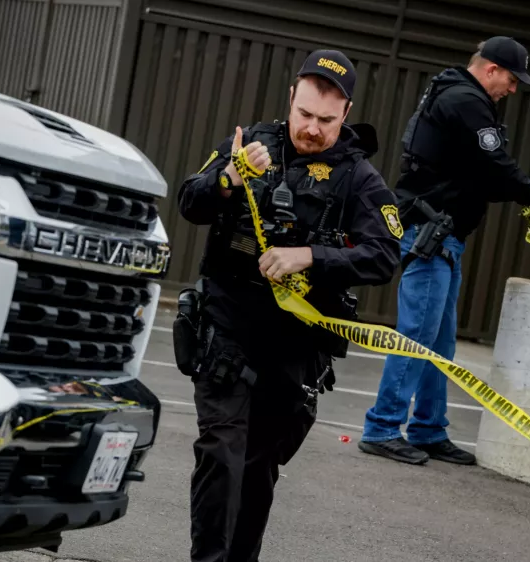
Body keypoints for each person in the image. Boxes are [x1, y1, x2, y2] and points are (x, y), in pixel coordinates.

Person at [175, 48, 401, 562]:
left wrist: (309, 257)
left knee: (258, 469)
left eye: (326, 120)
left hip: (296, 348)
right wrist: (229, 177)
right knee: (220, 451)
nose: (313, 129)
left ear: (345, 114)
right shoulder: (251, 144)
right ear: (291, 99)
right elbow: (191, 201)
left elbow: (385, 255)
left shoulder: (358, 178)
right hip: (229, 327)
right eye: (305, 115)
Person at [358, 36, 530, 466]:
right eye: (511, 78)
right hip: (432, 233)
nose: (513, 88)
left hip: (444, 236)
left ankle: (428, 429)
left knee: (440, 343)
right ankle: (383, 427)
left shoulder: (457, 94)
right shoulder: (467, 100)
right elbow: (494, 164)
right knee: (418, 337)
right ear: (489, 70)